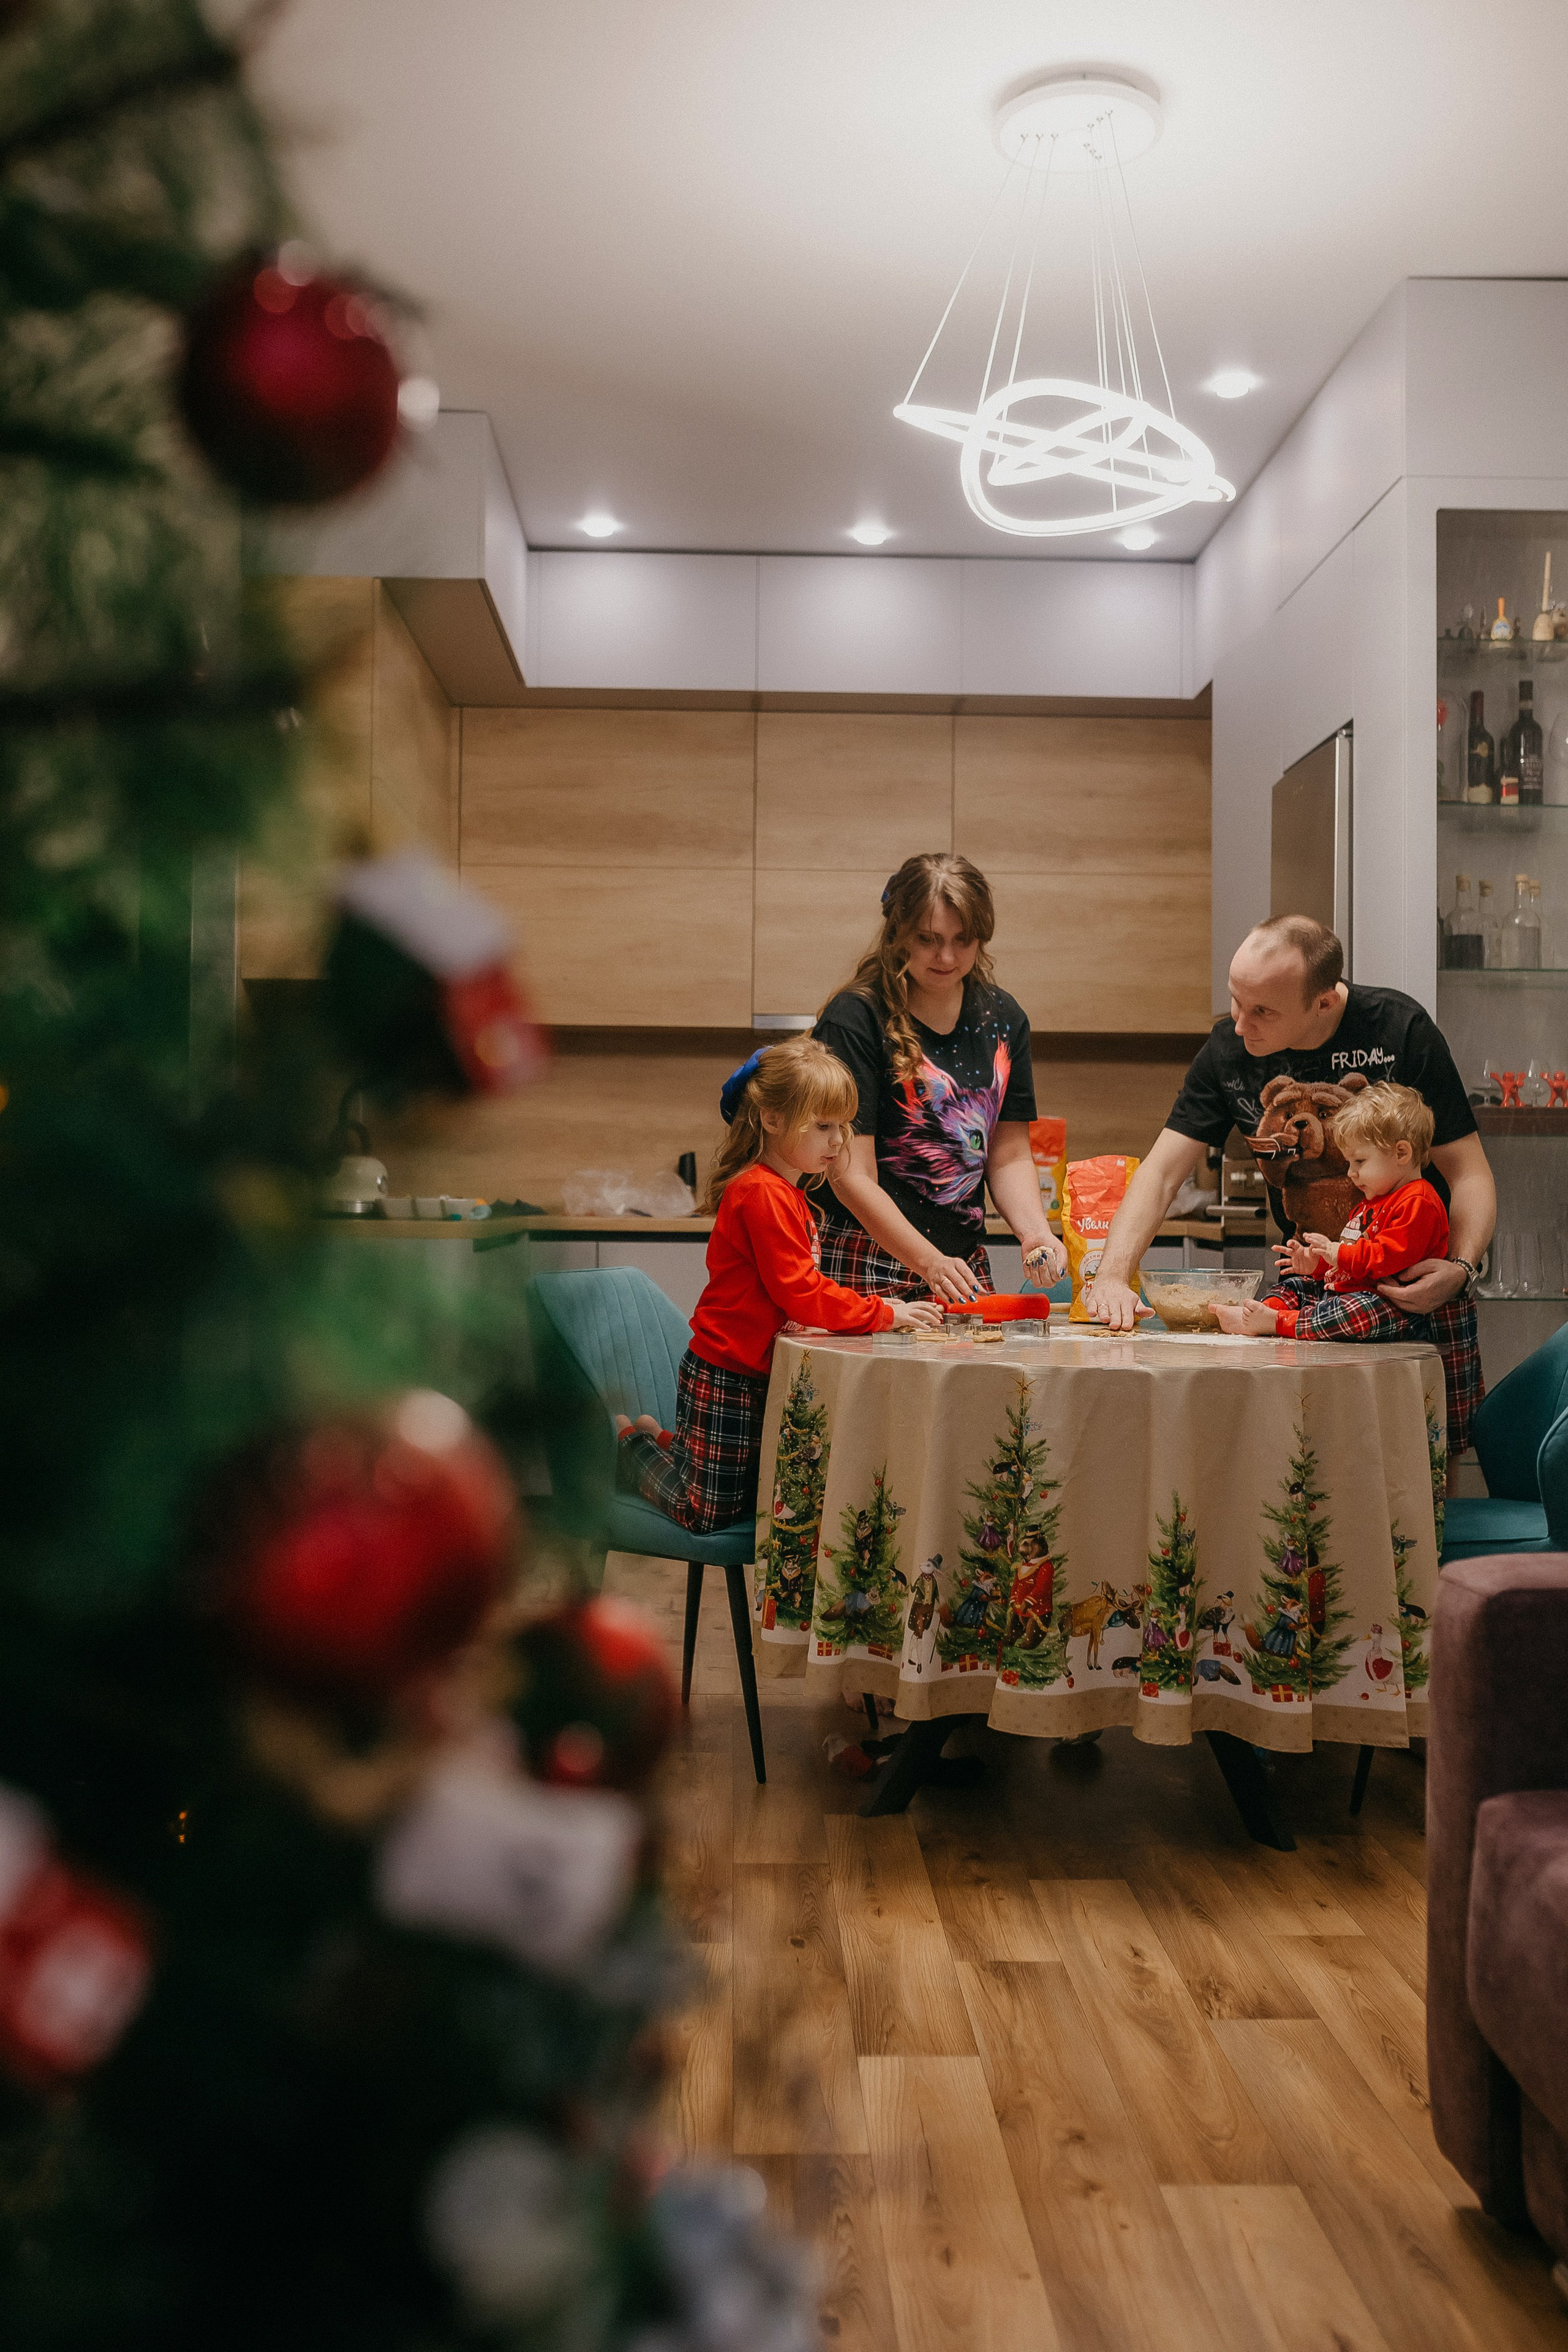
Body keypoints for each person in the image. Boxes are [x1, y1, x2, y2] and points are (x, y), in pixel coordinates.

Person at [1088, 914, 1494, 1453]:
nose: (1239, 1023)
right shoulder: (1227, 1051)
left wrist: (1460, 1268)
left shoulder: (1398, 1030)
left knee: (1422, 1456)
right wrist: (1113, 1277)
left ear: (1324, 1003)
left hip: (1412, 1283)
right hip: (1322, 1279)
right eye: (1235, 1000)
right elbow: (1161, 1173)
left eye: (1261, 1011)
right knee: (1309, 1453)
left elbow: (1468, 1172)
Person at [616, 1035, 940, 1534]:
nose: (839, 1141)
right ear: (771, 1118)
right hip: (727, 1375)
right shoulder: (762, 1194)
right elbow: (802, 1293)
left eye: (844, 1126)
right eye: (824, 1126)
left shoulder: (785, 1193)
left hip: (751, 1372)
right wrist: (886, 1312)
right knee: (708, 1515)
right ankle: (628, 1446)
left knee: (742, 1498)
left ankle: (667, 1444)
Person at [812, 852, 1067, 1305]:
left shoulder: (1004, 1019)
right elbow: (851, 1174)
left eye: (962, 940)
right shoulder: (856, 1019)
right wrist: (928, 1262)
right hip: (863, 1257)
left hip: (959, 1262)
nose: (946, 956)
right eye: (928, 939)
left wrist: (1034, 1233)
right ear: (898, 935)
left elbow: (1007, 1155)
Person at [1213, 1081, 1449, 1338]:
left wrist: (1337, 1252)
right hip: (1350, 1291)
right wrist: (1319, 1264)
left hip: (1393, 1307)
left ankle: (1277, 1322)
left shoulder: (1419, 1202)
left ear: (1401, 1153)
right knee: (1296, 1285)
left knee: (1353, 1312)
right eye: (1349, 1162)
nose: (1351, 1173)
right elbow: (1351, 1261)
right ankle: (1261, 1313)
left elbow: (1384, 1260)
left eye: (1359, 1161)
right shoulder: (1372, 1201)